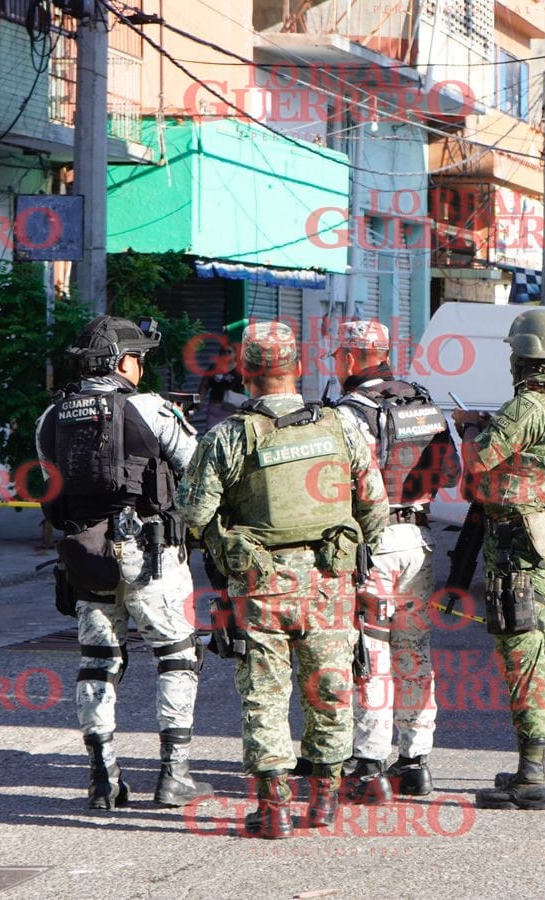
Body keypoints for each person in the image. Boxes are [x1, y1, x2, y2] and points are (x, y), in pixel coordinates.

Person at [177, 321, 388, 840]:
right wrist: (349, 551)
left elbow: (193, 513)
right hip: (330, 582)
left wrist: (229, 545)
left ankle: (273, 810)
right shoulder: (341, 426)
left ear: (244, 373)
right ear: (297, 368)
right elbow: (375, 507)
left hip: (259, 585)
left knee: (264, 695)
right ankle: (324, 802)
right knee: (331, 688)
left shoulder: (228, 436)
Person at [36, 315, 210, 810]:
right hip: (151, 555)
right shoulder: (150, 408)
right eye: (137, 357)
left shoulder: (49, 418)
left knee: (97, 662)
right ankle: (174, 775)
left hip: (85, 555)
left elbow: (50, 487)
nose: (141, 366)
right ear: (120, 362)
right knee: (177, 655)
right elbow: (198, 469)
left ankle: (102, 779)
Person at [451, 308, 545, 811]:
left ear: (525, 357)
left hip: (520, 550)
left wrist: (468, 431)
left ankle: (531, 776)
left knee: (523, 660)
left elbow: (478, 460)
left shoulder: (526, 406)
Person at [327, 319, 461, 804]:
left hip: (375, 544)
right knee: (413, 651)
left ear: (349, 358)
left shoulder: (349, 412)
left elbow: (337, 487)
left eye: (336, 356)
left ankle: (368, 763)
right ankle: (415, 761)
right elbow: (451, 473)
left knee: (371, 653)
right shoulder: (422, 401)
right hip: (418, 541)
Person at [198, 344, 247, 432]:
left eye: (229, 352)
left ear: (235, 354)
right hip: (215, 407)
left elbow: (249, 386)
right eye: (224, 352)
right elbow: (204, 385)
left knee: (230, 433)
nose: (226, 354)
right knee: (211, 432)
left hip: (232, 408)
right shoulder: (214, 368)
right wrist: (200, 400)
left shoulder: (240, 370)